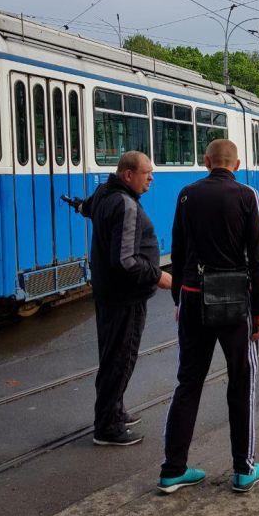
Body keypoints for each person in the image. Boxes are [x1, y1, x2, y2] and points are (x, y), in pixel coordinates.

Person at [158, 138, 259, 495]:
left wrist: (178, 298)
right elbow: (257, 258)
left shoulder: (187, 194)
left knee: (187, 384)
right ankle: (243, 469)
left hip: (192, 299)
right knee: (241, 382)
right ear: (236, 165)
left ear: (206, 161)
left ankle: (173, 469)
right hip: (235, 305)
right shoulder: (247, 196)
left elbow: (178, 249)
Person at [80, 151, 171, 446]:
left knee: (113, 356)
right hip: (125, 297)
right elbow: (126, 261)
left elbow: (87, 208)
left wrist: (80, 205)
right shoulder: (126, 205)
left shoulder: (104, 193)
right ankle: (108, 427)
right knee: (120, 359)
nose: (152, 178)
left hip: (109, 293)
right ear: (128, 175)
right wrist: (158, 276)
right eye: (147, 173)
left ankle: (114, 411)